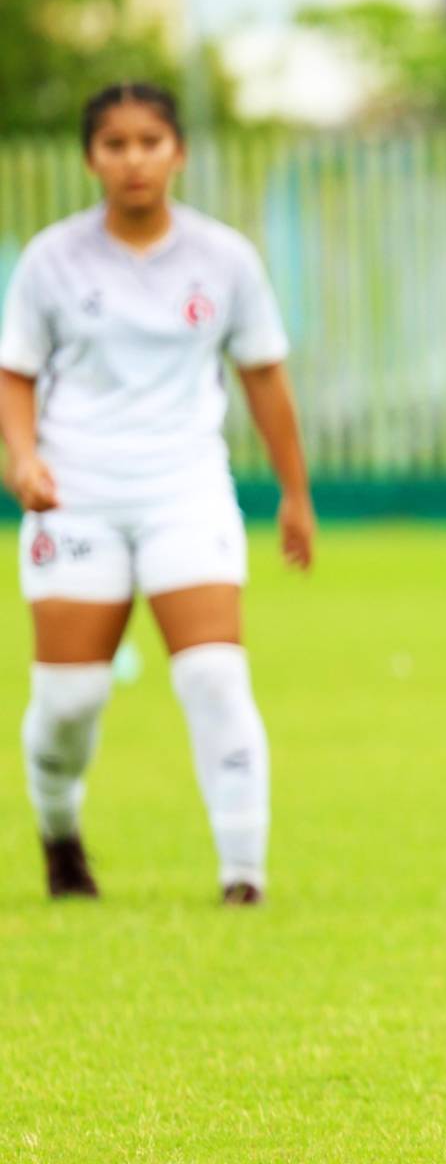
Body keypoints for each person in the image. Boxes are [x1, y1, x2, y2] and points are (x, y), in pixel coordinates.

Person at [0, 83, 315, 905]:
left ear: (178, 152)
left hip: (187, 489)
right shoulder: (52, 259)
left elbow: (264, 377)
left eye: (149, 141)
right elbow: (16, 373)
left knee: (214, 675)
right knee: (71, 700)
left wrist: (294, 494)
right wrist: (23, 458)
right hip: (77, 493)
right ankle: (60, 831)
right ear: (90, 158)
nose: (133, 158)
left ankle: (242, 873)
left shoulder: (225, 258)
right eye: (115, 143)